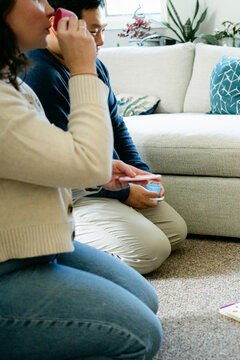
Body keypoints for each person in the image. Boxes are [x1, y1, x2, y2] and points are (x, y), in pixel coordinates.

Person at [0, 0, 162, 357]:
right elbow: (85, 160)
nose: (47, 8)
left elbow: (40, 160)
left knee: (146, 301)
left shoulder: (10, 83)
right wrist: (82, 67)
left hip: (36, 246)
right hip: (7, 264)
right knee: (141, 337)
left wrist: (103, 172)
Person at [24, 0, 188, 274]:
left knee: (175, 231)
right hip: (73, 191)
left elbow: (116, 125)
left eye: (102, 30)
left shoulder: (96, 67)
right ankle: (65, 244)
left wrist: (141, 176)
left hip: (104, 179)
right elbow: (68, 162)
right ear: (59, 26)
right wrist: (125, 194)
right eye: (93, 31)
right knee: (151, 250)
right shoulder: (40, 74)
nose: (100, 40)